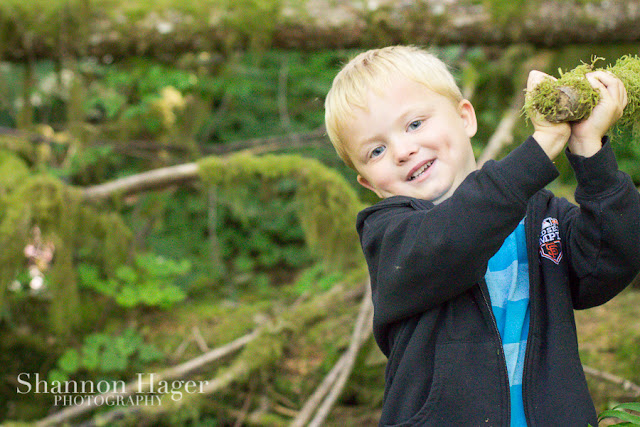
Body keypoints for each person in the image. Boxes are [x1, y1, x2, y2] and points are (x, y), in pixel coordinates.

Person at [324, 45, 640, 426]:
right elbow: (455, 239)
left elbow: (608, 264)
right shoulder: (389, 236)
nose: (403, 150)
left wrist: (591, 153)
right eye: (376, 150)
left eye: (415, 124)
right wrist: (541, 148)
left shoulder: (541, 215)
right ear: (368, 183)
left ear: (465, 117)